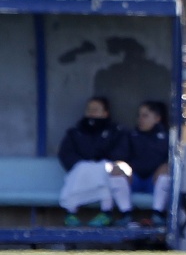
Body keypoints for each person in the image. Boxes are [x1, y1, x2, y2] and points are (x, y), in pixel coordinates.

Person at [58, 96, 130, 227]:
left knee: (104, 169)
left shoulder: (116, 131)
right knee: (81, 169)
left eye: (96, 110)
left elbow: (121, 152)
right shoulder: (75, 132)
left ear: (105, 113)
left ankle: (106, 212)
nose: (91, 113)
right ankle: (70, 213)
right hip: (81, 171)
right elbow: (66, 153)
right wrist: (80, 164)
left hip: (105, 169)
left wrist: (101, 160)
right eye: (89, 109)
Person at [112, 101, 172, 227]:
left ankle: (157, 214)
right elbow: (119, 157)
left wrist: (167, 165)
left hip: (154, 182)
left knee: (166, 175)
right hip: (135, 179)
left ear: (157, 118)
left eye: (145, 116)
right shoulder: (131, 135)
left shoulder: (167, 137)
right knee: (116, 174)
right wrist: (122, 167)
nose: (140, 119)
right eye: (139, 115)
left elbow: (176, 158)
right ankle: (126, 215)